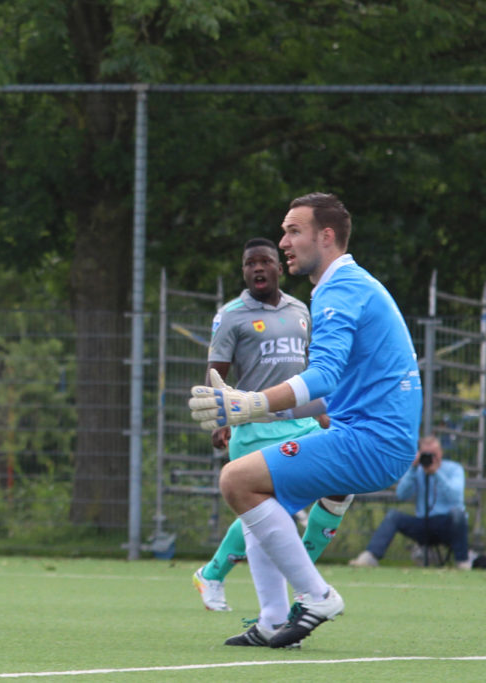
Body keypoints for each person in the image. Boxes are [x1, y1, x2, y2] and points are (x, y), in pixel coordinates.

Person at [188, 192, 422, 648]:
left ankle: (317, 595)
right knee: (256, 488)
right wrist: (260, 406)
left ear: (327, 236)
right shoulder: (351, 285)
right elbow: (337, 389)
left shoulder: (340, 288)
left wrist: (250, 403)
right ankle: (274, 621)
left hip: (371, 441)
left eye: (294, 231)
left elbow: (324, 376)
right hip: (372, 436)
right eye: (284, 231)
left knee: (237, 480)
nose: (284, 241)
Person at [192, 238, 353, 613]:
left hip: (300, 422)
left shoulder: (301, 311)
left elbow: (312, 371)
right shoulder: (231, 315)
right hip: (254, 425)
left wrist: (321, 412)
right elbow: (217, 372)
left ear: (279, 267)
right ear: (244, 271)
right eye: (250, 264)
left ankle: (303, 580)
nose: (258, 269)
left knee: (344, 484)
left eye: (265, 261)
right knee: (269, 511)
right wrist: (221, 416)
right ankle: (216, 575)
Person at [350, 434, 471, 569]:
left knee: (458, 514)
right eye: (427, 454)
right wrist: (413, 469)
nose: (430, 458)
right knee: (393, 516)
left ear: (441, 452)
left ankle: (463, 562)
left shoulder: (454, 469)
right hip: (424, 523)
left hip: (447, 524)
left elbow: (456, 497)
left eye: (434, 454)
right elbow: (401, 495)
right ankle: (369, 557)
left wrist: (436, 473)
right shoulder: (417, 471)